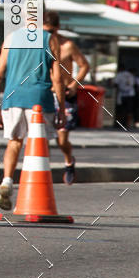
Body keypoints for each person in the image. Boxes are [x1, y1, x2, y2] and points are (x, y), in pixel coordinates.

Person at [0, 10, 66, 209]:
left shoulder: (11, 37)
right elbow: (57, 77)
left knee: (14, 142)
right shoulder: (50, 39)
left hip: (12, 97)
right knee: (38, 147)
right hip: (40, 100)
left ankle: (7, 180)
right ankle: (29, 193)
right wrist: (61, 108)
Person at [43, 11, 89, 183]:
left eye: (52, 32)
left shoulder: (67, 46)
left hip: (66, 94)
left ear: (58, 29)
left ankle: (69, 161)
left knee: (62, 140)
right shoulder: (40, 44)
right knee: (43, 137)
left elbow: (84, 65)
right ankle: (42, 170)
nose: (49, 35)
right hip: (47, 93)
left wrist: (73, 85)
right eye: (46, 31)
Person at [113, 65, 138, 129]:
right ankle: (128, 124)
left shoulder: (120, 75)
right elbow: (135, 84)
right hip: (131, 94)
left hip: (122, 94)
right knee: (130, 110)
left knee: (120, 110)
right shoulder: (131, 75)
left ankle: (119, 123)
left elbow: (115, 84)